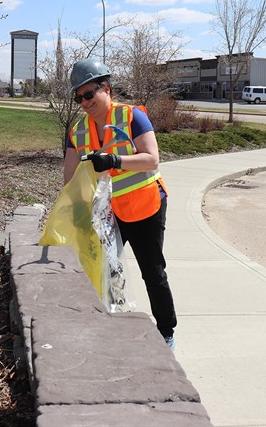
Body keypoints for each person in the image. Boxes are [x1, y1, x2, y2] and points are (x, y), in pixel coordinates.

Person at [63, 57, 177, 351]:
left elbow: (151, 158)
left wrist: (115, 161)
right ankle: (109, 321)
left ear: (107, 88)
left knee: (152, 270)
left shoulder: (132, 117)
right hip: (106, 214)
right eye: (79, 98)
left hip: (145, 205)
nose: (85, 102)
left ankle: (166, 333)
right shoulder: (77, 131)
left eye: (89, 94)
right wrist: (76, 206)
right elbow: (70, 177)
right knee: (102, 269)